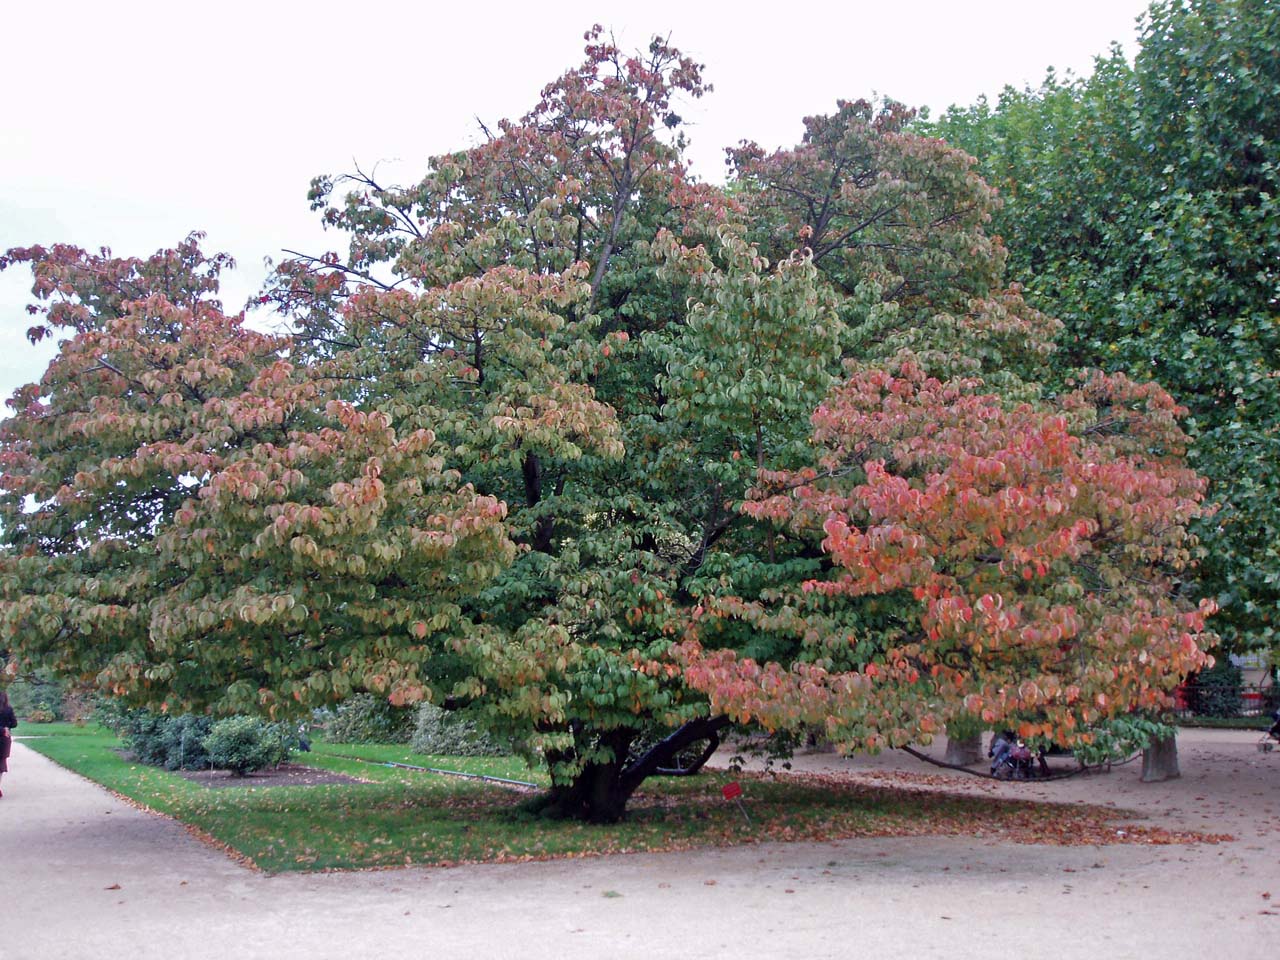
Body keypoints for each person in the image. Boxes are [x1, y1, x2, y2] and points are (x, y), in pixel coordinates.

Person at [0, 689, 16, 798]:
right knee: (1, 763)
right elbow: (14, 723)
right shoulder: (8, 709)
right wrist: (6, 727)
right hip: (4, 739)